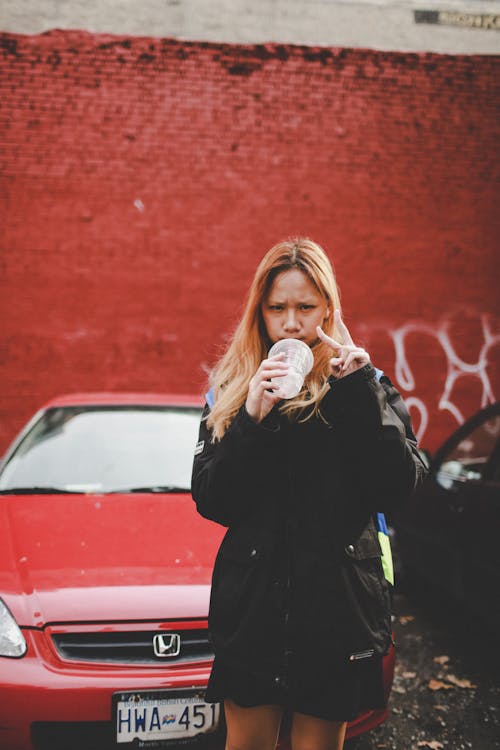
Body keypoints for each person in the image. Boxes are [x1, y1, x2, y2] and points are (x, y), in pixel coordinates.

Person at [191, 238, 426, 750]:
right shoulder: (230, 390)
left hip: (335, 613)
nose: (291, 324)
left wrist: (359, 390)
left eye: (305, 307)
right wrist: (252, 418)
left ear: (330, 312)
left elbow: (400, 486)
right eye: (277, 308)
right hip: (254, 609)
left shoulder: (366, 385)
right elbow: (213, 500)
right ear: (260, 313)